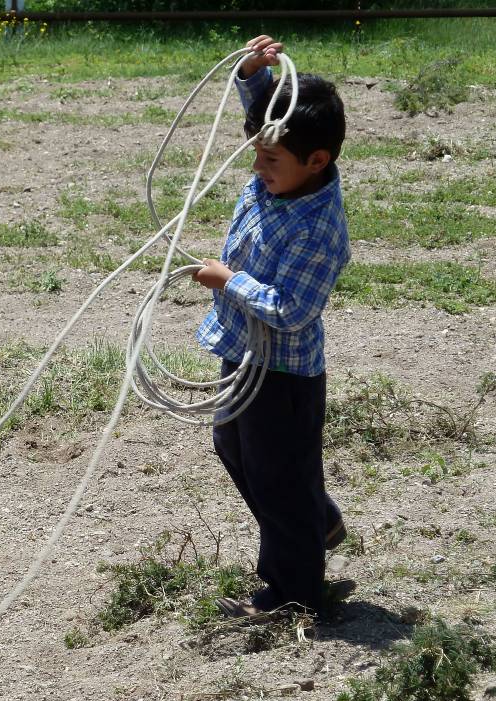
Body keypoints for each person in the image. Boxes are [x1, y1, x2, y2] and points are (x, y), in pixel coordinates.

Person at [191, 35, 351, 617]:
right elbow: (270, 119)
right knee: (233, 446)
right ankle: (316, 521)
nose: (257, 168)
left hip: (282, 374)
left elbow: (292, 310)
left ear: (317, 161)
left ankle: (295, 591)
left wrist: (228, 280)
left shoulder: (318, 228)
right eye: (256, 154)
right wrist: (252, 75)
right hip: (243, 352)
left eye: (270, 160)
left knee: (276, 476)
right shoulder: (285, 167)